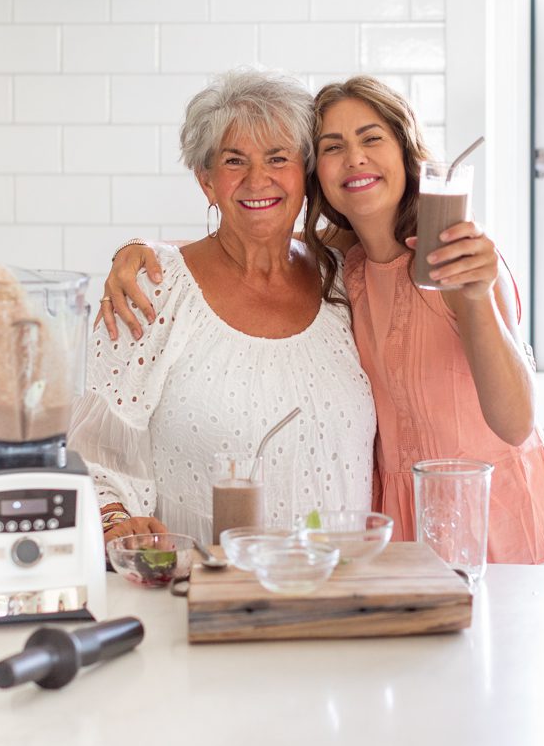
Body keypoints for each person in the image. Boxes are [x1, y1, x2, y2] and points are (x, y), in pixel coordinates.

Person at [101, 75, 544, 566]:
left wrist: (474, 297)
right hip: (407, 539)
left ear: (405, 152)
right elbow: (247, 240)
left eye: (371, 139)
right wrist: (144, 251)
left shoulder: (455, 258)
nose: (355, 158)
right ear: (318, 171)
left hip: (507, 527)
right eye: (334, 146)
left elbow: (516, 426)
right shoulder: (347, 266)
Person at [68, 70, 375, 554]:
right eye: (235, 161)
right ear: (207, 181)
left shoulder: (347, 281)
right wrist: (113, 520)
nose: (259, 179)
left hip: (340, 589)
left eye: (278, 158)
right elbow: (93, 454)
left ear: (304, 174)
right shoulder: (154, 293)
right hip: (201, 589)